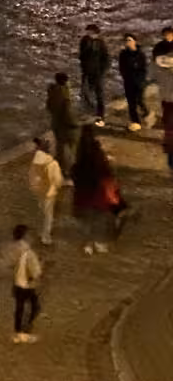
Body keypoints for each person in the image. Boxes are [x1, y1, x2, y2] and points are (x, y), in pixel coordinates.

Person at [71, 124, 125, 252]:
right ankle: (98, 242)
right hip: (98, 199)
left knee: (87, 222)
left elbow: (76, 176)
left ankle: (89, 243)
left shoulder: (80, 158)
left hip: (83, 199)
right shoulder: (98, 157)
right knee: (100, 221)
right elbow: (106, 176)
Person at [29, 135, 63, 245]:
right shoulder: (51, 163)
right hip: (48, 193)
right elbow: (57, 180)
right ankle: (45, 236)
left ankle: (39, 231)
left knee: (40, 211)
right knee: (48, 216)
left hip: (37, 190)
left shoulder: (35, 161)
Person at [10, 224, 42, 341]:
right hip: (27, 284)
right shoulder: (28, 252)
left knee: (20, 308)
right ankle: (24, 331)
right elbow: (35, 271)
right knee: (34, 307)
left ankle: (17, 331)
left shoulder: (15, 248)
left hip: (17, 283)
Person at [46, 72, 78, 175]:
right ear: (65, 82)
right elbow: (68, 113)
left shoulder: (52, 92)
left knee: (60, 146)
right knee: (70, 146)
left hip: (56, 123)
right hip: (65, 125)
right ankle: (66, 169)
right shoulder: (64, 95)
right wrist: (75, 123)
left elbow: (49, 107)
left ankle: (59, 166)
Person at [78, 24, 111, 123]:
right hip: (86, 71)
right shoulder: (84, 41)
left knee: (99, 93)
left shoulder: (101, 43)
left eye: (90, 32)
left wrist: (102, 71)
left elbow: (106, 59)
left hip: (97, 72)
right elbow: (82, 55)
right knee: (85, 92)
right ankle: (89, 111)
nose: (88, 34)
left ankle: (100, 114)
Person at [119, 33, 149, 131]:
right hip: (128, 81)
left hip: (139, 81)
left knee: (139, 100)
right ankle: (135, 122)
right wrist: (125, 76)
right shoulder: (123, 54)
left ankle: (145, 112)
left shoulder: (140, 54)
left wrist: (141, 79)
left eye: (130, 40)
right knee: (131, 103)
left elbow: (144, 68)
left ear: (135, 41)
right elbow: (121, 67)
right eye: (126, 41)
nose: (128, 42)